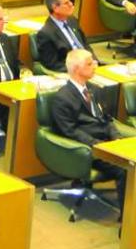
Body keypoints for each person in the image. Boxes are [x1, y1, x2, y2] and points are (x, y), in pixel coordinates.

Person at [49, 49, 128, 204]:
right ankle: (127, 216)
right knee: (125, 168)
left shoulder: (93, 89)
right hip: (87, 148)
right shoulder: (63, 98)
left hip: (107, 142)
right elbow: (70, 131)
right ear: (77, 69)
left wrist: (117, 138)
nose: (95, 65)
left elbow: (106, 118)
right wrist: (98, 145)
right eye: (89, 63)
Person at [34, 0, 91, 72]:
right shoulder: (46, 33)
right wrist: (78, 69)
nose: (71, 4)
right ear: (55, 8)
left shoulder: (72, 20)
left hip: (88, 65)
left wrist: (94, 61)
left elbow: (85, 45)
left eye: (70, 1)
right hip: (72, 72)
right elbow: (53, 65)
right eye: (66, 3)